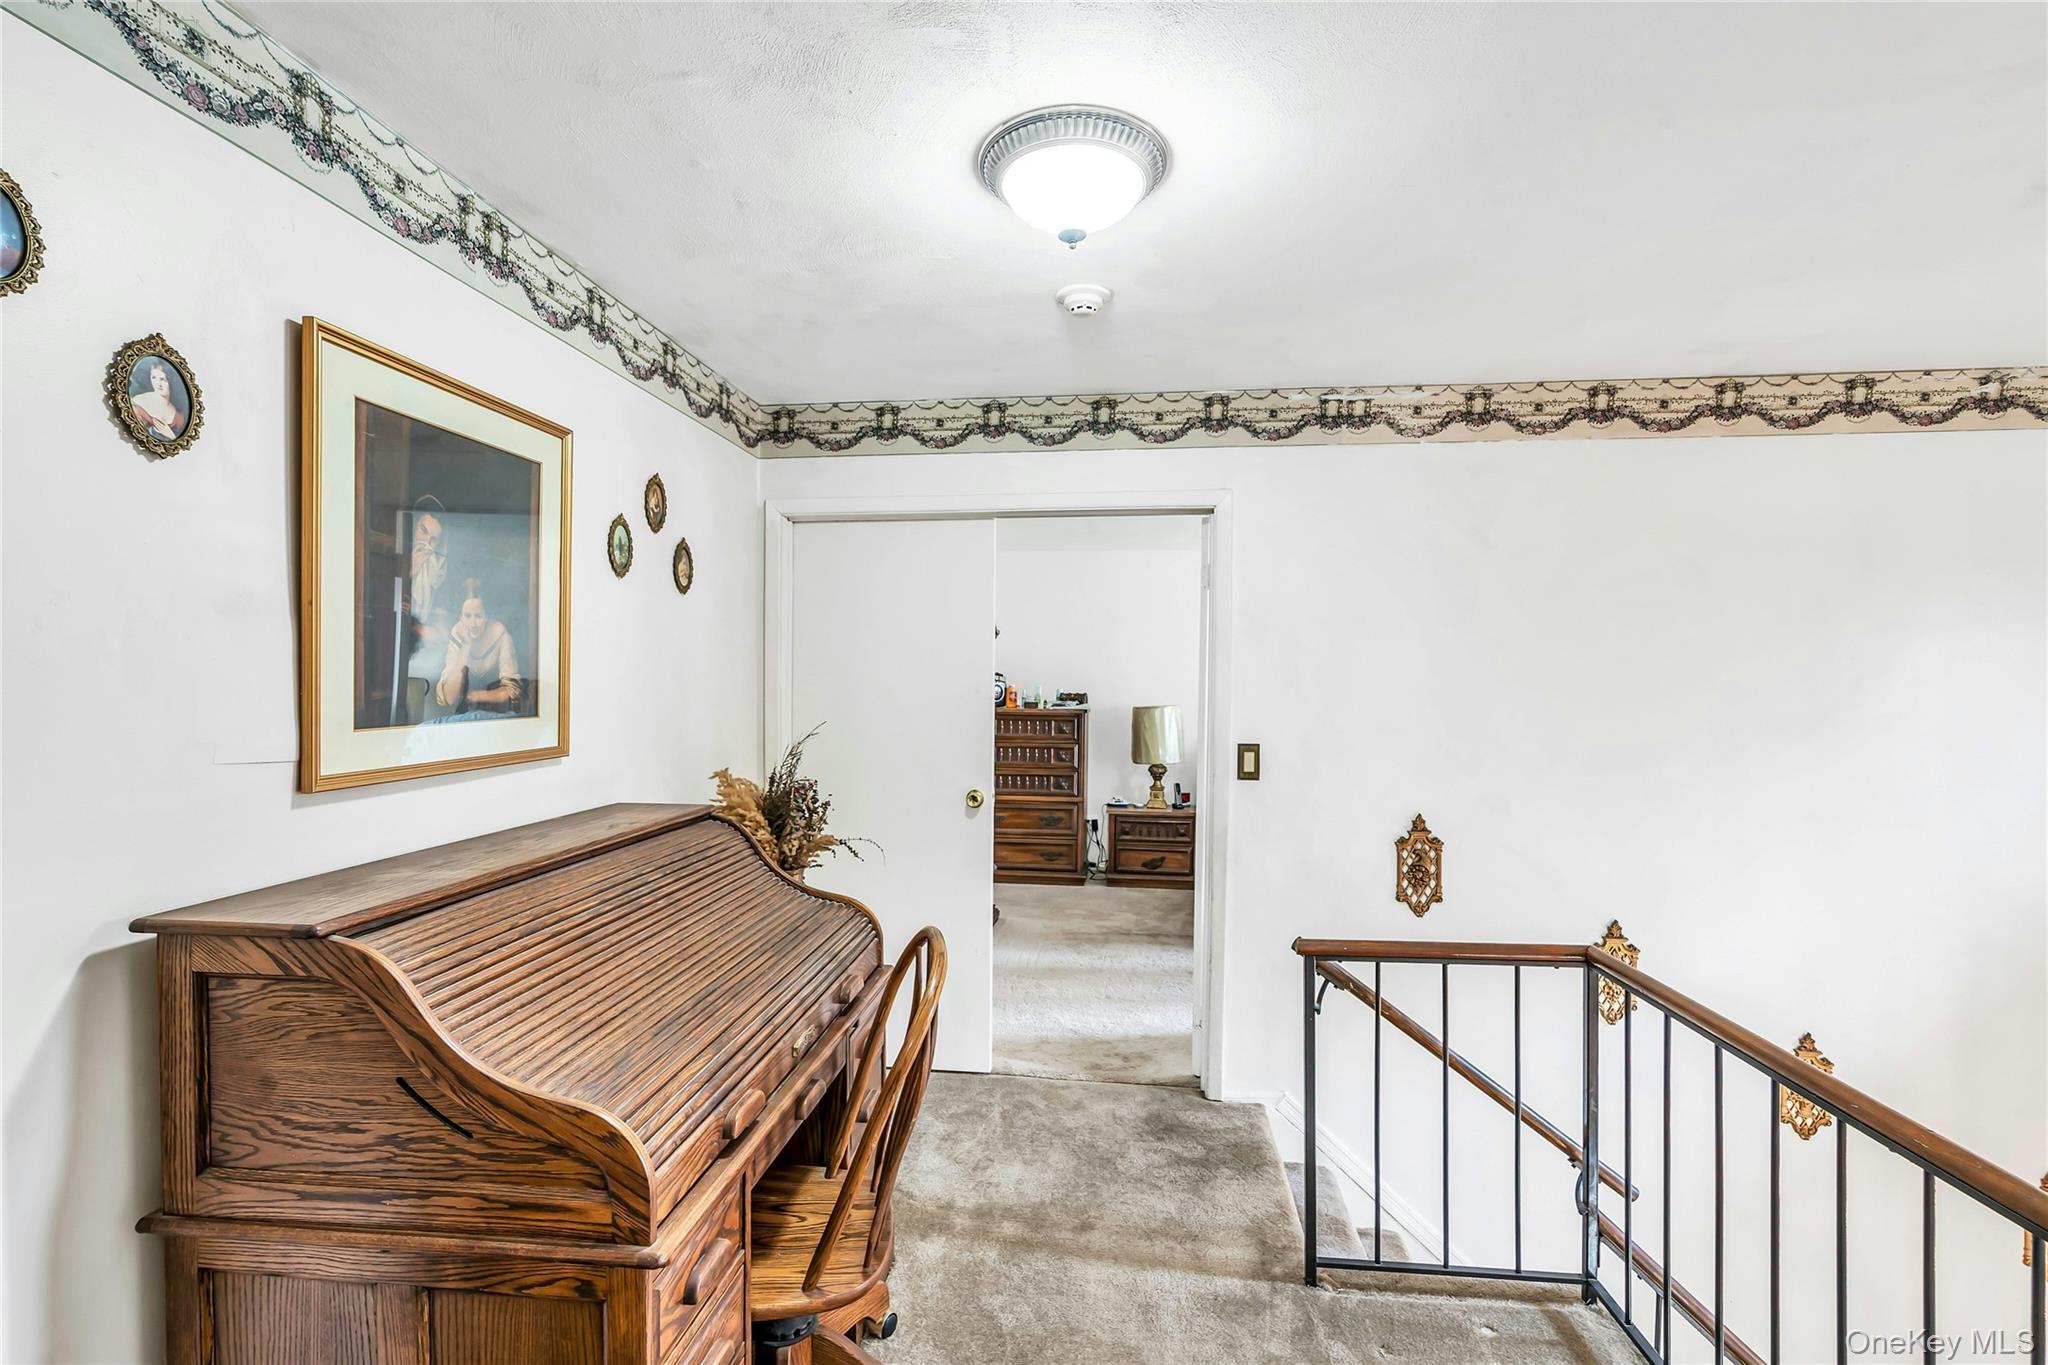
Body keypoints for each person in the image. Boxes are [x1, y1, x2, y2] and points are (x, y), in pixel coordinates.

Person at [434, 580, 525, 714]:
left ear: (487, 615)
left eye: (478, 616)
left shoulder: (500, 633)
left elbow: (512, 691)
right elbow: (449, 697)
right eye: (467, 616)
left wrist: (476, 696)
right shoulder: (457, 633)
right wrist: (466, 646)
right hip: (464, 715)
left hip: (498, 713)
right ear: (460, 617)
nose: (473, 624)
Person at [130, 360, 185, 439]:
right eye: (154, 377)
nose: (157, 383)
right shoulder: (140, 401)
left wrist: (171, 436)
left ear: (171, 381)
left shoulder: (179, 417)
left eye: (162, 379)